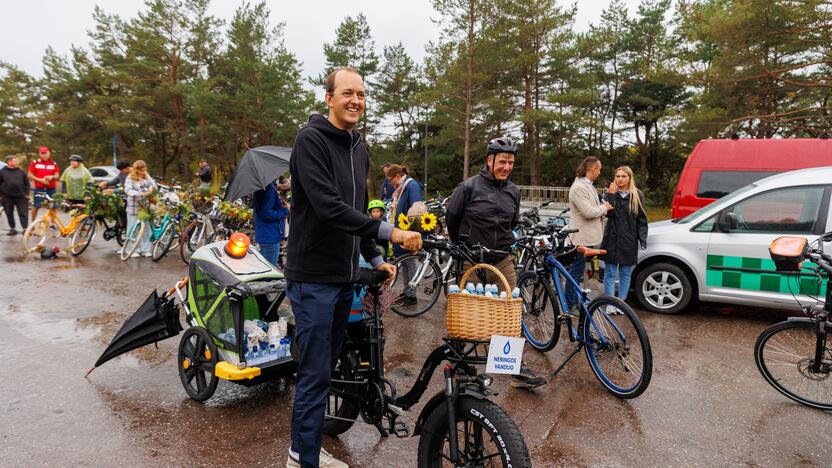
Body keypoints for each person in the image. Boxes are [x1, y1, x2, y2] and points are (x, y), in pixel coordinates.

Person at [284, 66, 421, 468]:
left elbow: (357, 209)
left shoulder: (358, 147)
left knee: (326, 370)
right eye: (347, 93)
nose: (355, 101)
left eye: (361, 94)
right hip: (312, 278)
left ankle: (304, 448)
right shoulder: (309, 141)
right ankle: (302, 459)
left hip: (345, 278)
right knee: (313, 376)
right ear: (328, 98)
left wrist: (375, 258)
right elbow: (329, 208)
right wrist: (390, 234)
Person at [445, 137, 547, 390]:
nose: (507, 167)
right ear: (489, 160)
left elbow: (511, 224)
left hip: (502, 259)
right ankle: (461, 363)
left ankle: (513, 368)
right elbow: (452, 217)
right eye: (503, 161)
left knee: (509, 314)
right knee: (464, 312)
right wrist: (461, 246)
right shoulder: (468, 187)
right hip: (471, 260)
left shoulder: (513, 191)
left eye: (511, 162)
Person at [565, 156, 613, 315]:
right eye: (599, 170)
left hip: (589, 238)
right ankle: (570, 305)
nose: (599, 173)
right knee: (576, 272)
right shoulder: (579, 187)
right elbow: (588, 212)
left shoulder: (587, 185)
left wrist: (601, 207)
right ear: (593, 169)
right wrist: (604, 208)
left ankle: (581, 301)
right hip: (580, 239)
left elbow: (593, 208)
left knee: (586, 273)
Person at [601, 166, 648, 311]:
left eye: (623, 176)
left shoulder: (637, 195)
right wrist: (611, 195)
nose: (620, 179)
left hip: (629, 239)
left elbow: (642, 219)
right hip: (612, 238)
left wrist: (642, 238)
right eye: (617, 176)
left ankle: (621, 303)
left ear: (629, 178)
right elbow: (606, 214)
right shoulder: (609, 194)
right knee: (609, 272)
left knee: (625, 274)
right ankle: (610, 303)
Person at [387, 164, 424, 306]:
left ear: (397, 176)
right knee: (404, 262)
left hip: (408, 231)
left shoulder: (411, 185)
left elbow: (417, 209)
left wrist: (413, 230)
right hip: (401, 230)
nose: (391, 184)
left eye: (391, 180)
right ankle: (406, 291)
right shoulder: (402, 188)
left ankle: (412, 294)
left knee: (410, 262)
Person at [123, 160, 156, 258]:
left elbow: (153, 185)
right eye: (141, 170)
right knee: (132, 229)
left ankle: (145, 250)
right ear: (136, 169)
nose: (143, 171)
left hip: (145, 207)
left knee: (146, 229)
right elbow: (128, 190)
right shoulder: (130, 177)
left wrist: (151, 189)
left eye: (144, 169)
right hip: (134, 207)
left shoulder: (146, 175)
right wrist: (140, 194)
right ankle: (131, 250)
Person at [253, 180, 289, 267]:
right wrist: (285, 211)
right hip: (270, 236)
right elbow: (267, 213)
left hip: (264, 234)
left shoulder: (260, 188)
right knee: (269, 272)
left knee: (263, 269)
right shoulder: (269, 189)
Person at [0, 155, 30, 235]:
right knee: (9, 213)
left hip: (21, 197)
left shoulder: (21, 172)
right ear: (9, 162)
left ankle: (25, 229)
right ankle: (13, 229)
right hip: (7, 197)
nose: (17, 162)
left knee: (23, 213)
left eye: (17, 161)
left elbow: (27, 184)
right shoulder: (2, 172)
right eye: (15, 161)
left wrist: (27, 194)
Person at [28, 146, 60, 221]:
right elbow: (29, 175)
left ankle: (53, 224)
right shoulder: (35, 162)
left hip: (51, 189)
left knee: (53, 206)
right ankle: (32, 224)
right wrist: (40, 180)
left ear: (49, 153)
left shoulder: (53, 163)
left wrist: (52, 177)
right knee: (36, 206)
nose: (44, 155)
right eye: (42, 153)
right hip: (40, 189)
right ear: (39, 154)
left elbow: (57, 175)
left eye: (45, 153)